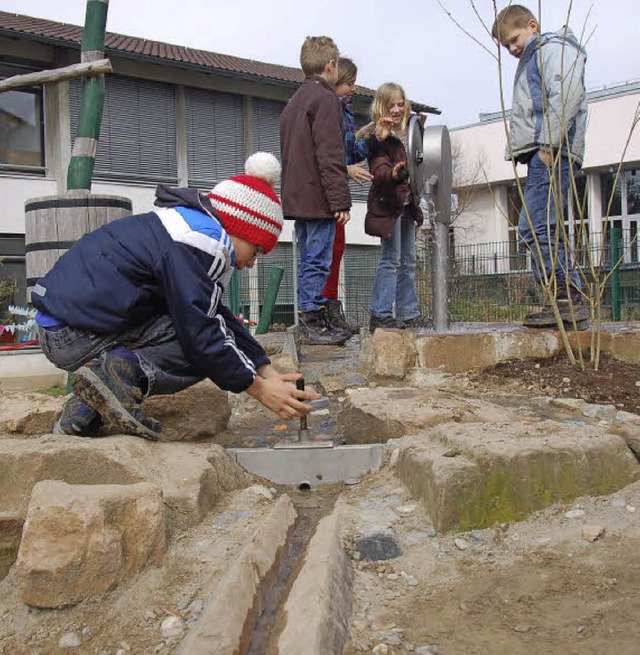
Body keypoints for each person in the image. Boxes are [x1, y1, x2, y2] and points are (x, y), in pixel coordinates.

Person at [31, 152, 320, 440]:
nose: (252, 262)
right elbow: (202, 335)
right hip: (76, 335)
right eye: (256, 250)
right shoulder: (203, 242)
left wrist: (264, 370)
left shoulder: (182, 226)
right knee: (201, 351)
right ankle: (116, 374)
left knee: (206, 335)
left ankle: (82, 413)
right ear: (240, 227)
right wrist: (258, 389)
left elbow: (215, 314)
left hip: (63, 326)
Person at [492, 4, 589, 329]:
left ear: (532, 25)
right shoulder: (536, 56)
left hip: (552, 151)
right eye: (506, 46)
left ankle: (568, 298)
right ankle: (564, 300)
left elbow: (566, 95)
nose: (512, 49)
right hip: (543, 152)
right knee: (542, 225)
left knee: (536, 226)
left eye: (514, 40)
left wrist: (549, 142)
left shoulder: (554, 50)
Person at [280, 36, 352, 346]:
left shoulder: (295, 100)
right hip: (318, 197)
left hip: (298, 195)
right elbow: (330, 154)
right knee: (317, 260)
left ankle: (313, 314)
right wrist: (340, 200)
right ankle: (312, 319)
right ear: (331, 65)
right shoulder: (325, 99)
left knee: (309, 257)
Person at [362, 82, 432, 333]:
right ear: (381, 106)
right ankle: (380, 313)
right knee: (391, 260)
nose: (397, 109)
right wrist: (395, 173)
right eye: (391, 104)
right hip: (389, 206)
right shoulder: (378, 138)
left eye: (401, 104)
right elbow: (379, 172)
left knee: (409, 260)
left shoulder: (412, 133)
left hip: (407, 205)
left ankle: (408, 312)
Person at [323, 56, 372, 336]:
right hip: (324, 191)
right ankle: (320, 311)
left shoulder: (346, 111)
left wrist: (371, 136)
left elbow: (351, 152)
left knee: (337, 249)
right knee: (323, 253)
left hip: (338, 188)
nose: (353, 89)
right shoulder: (328, 111)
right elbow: (322, 155)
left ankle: (331, 309)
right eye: (349, 84)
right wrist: (346, 168)